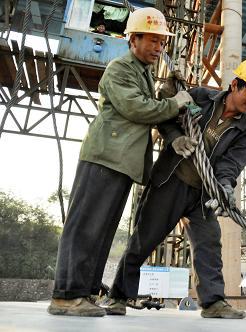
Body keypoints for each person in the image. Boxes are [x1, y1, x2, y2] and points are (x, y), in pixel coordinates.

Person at [47, 7, 194, 317]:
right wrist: (174, 102)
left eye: (161, 43)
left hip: (123, 161)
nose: (158, 48)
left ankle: (84, 293)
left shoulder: (144, 72)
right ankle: (66, 294)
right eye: (152, 41)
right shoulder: (120, 68)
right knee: (86, 225)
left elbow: (152, 104)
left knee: (102, 229)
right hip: (105, 156)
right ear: (133, 38)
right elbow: (137, 108)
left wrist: (171, 86)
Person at [105, 59, 246, 319]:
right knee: (145, 238)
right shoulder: (201, 97)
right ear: (234, 85)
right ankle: (118, 295)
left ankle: (213, 302)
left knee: (209, 243)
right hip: (171, 183)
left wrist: (225, 187)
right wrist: (175, 139)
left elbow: (230, 165)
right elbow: (167, 116)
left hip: (203, 195)